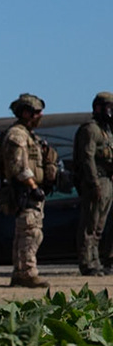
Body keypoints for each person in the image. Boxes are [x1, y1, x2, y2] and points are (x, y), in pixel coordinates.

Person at [0, 93, 61, 289]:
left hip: (30, 190)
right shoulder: (17, 135)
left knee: (27, 232)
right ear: (25, 113)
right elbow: (19, 166)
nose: (40, 116)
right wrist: (32, 187)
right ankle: (27, 272)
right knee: (30, 232)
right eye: (37, 112)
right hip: (24, 191)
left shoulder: (30, 135)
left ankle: (20, 272)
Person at [73, 92, 113, 276]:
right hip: (96, 180)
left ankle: (96, 261)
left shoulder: (106, 130)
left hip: (107, 180)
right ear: (98, 107)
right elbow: (87, 158)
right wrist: (93, 183)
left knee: (99, 226)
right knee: (90, 224)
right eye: (108, 107)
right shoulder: (91, 129)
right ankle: (87, 263)